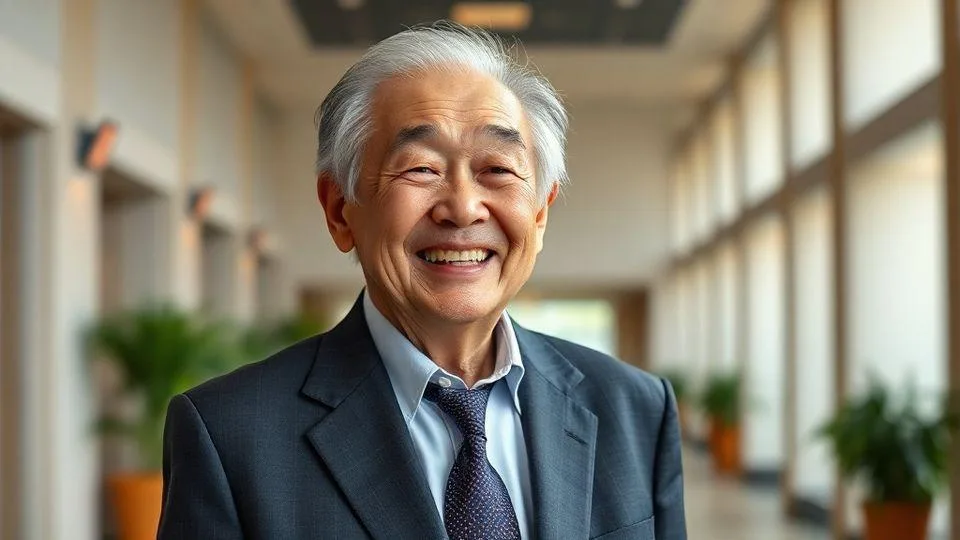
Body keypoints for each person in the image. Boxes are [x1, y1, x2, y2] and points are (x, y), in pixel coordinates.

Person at [158, 21, 686, 540]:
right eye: (420, 169)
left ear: (541, 213)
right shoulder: (230, 436)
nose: (462, 207)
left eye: (498, 169)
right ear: (340, 210)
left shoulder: (635, 411)